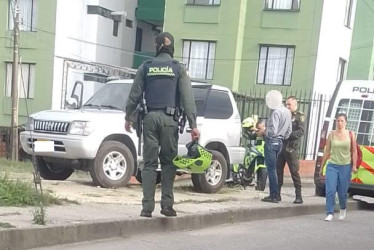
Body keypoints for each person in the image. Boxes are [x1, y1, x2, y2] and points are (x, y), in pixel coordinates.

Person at [124, 32, 200, 218]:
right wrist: (193, 124)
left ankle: (147, 208)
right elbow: (188, 99)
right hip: (169, 121)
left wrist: (128, 117)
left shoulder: (146, 67)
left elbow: (134, 95)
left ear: (157, 46)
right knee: (168, 163)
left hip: (149, 118)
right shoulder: (178, 68)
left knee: (149, 164)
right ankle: (167, 206)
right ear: (171, 47)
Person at [320, 113, 357, 222]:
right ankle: (329, 212)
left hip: (345, 166)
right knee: (330, 190)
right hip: (332, 165)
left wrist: (354, 165)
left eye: (342, 121)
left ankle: (343, 208)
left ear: (346, 122)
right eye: (338, 121)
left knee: (342, 192)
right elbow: (327, 151)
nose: (340, 123)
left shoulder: (351, 134)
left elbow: (354, 150)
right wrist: (322, 167)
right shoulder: (331, 134)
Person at [260, 90, 292, 203]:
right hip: (280, 142)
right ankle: (276, 194)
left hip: (272, 141)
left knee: (271, 169)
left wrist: (264, 131)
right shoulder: (287, 112)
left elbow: (273, 130)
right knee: (275, 169)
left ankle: (274, 195)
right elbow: (289, 130)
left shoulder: (275, 112)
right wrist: (282, 137)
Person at [276, 96, 305, 204]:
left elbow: (301, 131)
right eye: (286, 104)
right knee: (278, 170)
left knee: (294, 172)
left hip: (292, 148)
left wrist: (288, 134)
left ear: (295, 104)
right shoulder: (284, 115)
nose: (287, 106)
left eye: (289, 104)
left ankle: (299, 196)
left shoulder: (299, 116)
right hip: (282, 146)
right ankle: (276, 194)